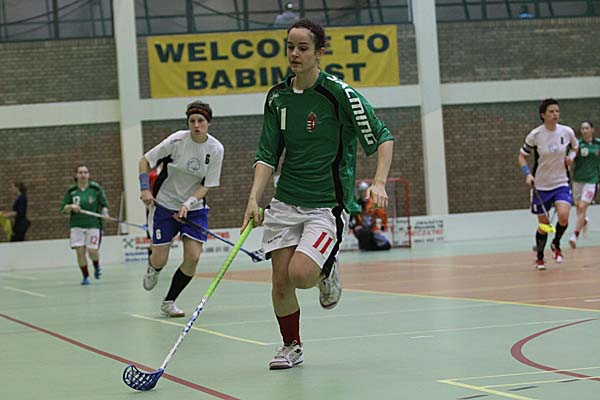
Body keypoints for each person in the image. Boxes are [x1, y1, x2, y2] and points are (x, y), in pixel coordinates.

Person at [241, 19, 394, 370]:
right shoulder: (277, 97)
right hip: (285, 201)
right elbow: (267, 153)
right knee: (281, 282)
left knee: (301, 274)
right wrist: (253, 198)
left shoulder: (341, 95)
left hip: (327, 204)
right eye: (290, 47)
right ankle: (291, 346)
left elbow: (382, 137)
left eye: (303, 48)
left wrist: (379, 182)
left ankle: (327, 269)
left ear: (320, 52)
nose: (294, 54)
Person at [140, 101, 224, 318]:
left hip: (194, 208)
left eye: (200, 121)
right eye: (192, 121)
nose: (196, 125)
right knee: (160, 258)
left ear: (208, 123)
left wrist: (188, 204)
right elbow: (145, 161)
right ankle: (153, 268)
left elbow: (207, 185)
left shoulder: (216, 149)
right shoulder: (177, 141)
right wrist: (144, 189)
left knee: (193, 257)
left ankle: (169, 302)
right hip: (165, 206)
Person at [518, 99, 578, 270]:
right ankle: (540, 257)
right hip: (541, 186)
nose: (555, 114)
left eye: (557, 111)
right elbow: (522, 156)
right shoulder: (535, 135)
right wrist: (528, 174)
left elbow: (575, 147)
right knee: (544, 226)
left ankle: (556, 244)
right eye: (551, 112)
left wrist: (571, 158)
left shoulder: (566, 131)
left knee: (563, 216)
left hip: (561, 182)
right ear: (543, 115)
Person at [60, 165, 110, 285]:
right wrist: (71, 206)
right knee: (80, 252)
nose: (83, 175)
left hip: (93, 224)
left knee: (92, 251)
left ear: (88, 175)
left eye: (85, 172)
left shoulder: (95, 188)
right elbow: (63, 208)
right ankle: (85, 276)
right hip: (77, 226)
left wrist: (105, 213)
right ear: (76, 175)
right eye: (80, 172)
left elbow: (104, 204)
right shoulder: (71, 191)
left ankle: (96, 265)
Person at [569, 121, 600, 248]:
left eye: (587, 128)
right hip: (577, 180)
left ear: (592, 130)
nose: (585, 130)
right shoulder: (577, 145)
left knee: (582, 207)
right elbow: (570, 159)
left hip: (591, 181)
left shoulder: (598, 144)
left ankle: (574, 236)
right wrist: (569, 161)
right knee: (578, 207)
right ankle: (584, 221)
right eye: (582, 128)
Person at [351, 181, 391, 251]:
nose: (363, 194)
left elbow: (383, 214)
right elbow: (350, 218)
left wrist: (383, 225)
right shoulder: (356, 204)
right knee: (363, 233)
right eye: (361, 192)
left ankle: (372, 247)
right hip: (362, 229)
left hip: (373, 228)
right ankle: (365, 246)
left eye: (364, 192)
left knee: (386, 245)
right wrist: (354, 227)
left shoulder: (373, 203)